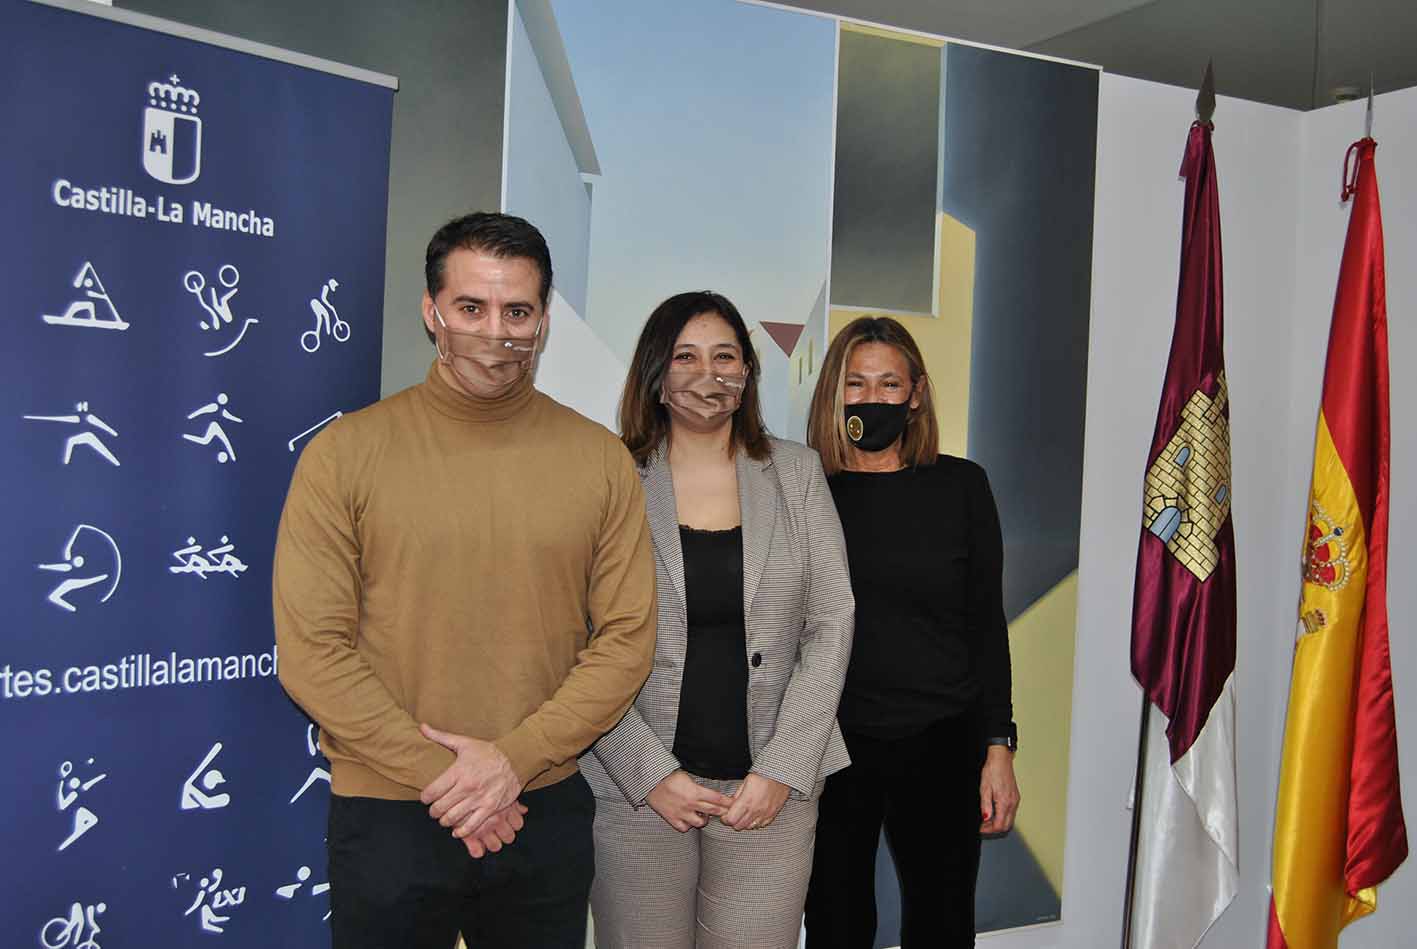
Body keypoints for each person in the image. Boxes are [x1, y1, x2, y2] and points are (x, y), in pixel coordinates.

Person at [272, 212, 657, 949]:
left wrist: (511, 763)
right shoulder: (344, 453)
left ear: (543, 320)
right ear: (431, 311)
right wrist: (456, 780)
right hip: (388, 812)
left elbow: (626, 640)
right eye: (470, 308)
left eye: (517, 311)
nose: (496, 332)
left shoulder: (599, 459)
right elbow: (311, 652)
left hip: (539, 809)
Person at [583, 291, 855, 949]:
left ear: (746, 372)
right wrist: (651, 775)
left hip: (769, 793)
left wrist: (780, 769)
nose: (708, 374)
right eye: (686, 356)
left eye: (724, 355)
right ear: (656, 371)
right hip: (636, 789)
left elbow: (830, 620)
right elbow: (577, 641)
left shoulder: (795, 471)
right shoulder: (609, 476)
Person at [802, 316, 1020, 948]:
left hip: (943, 742)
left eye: (889, 383)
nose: (872, 399)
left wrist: (998, 748)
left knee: (944, 924)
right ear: (833, 395)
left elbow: (985, 626)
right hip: (830, 744)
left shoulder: (962, 486)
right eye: (856, 383)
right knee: (837, 926)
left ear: (916, 393)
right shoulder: (803, 489)